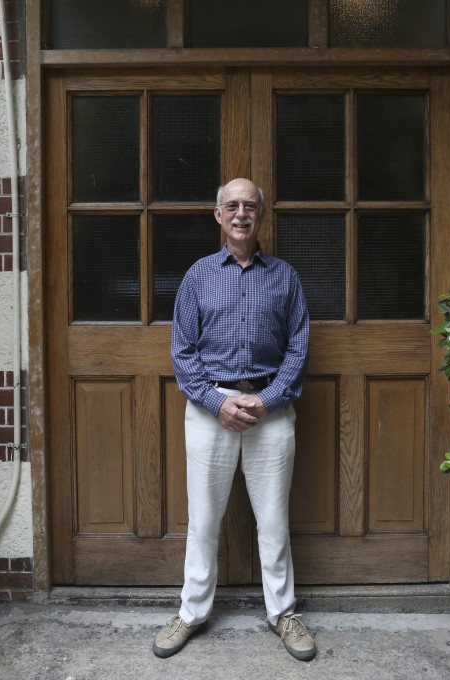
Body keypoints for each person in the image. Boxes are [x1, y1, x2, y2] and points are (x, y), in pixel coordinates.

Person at [153, 178, 314, 662]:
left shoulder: (285, 277)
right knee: (203, 521)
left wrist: (267, 399)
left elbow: (298, 348)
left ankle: (283, 613)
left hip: (271, 409)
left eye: (250, 206)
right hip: (211, 411)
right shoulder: (197, 276)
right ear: (218, 215)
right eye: (232, 206)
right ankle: (191, 612)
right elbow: (183, 353)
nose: (241, 214)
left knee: (274, 522)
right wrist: (216, 403)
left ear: (260, 214)